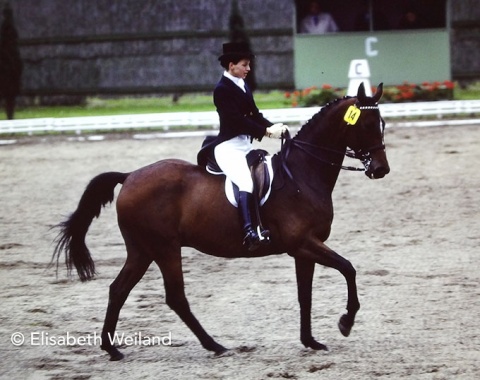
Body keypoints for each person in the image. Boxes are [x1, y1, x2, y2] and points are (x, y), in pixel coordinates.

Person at [197, 42, 288, 251]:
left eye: (248, 65)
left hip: (244, 146)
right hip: (228, 148)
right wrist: (265, 132)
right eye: (245, 65)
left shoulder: (241, 84)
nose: (248, 69)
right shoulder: (222, 90)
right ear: (231, 65)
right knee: (246, 183)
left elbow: (254, 114)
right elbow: (237, 121)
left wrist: (272, 126)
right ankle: (249, 231)